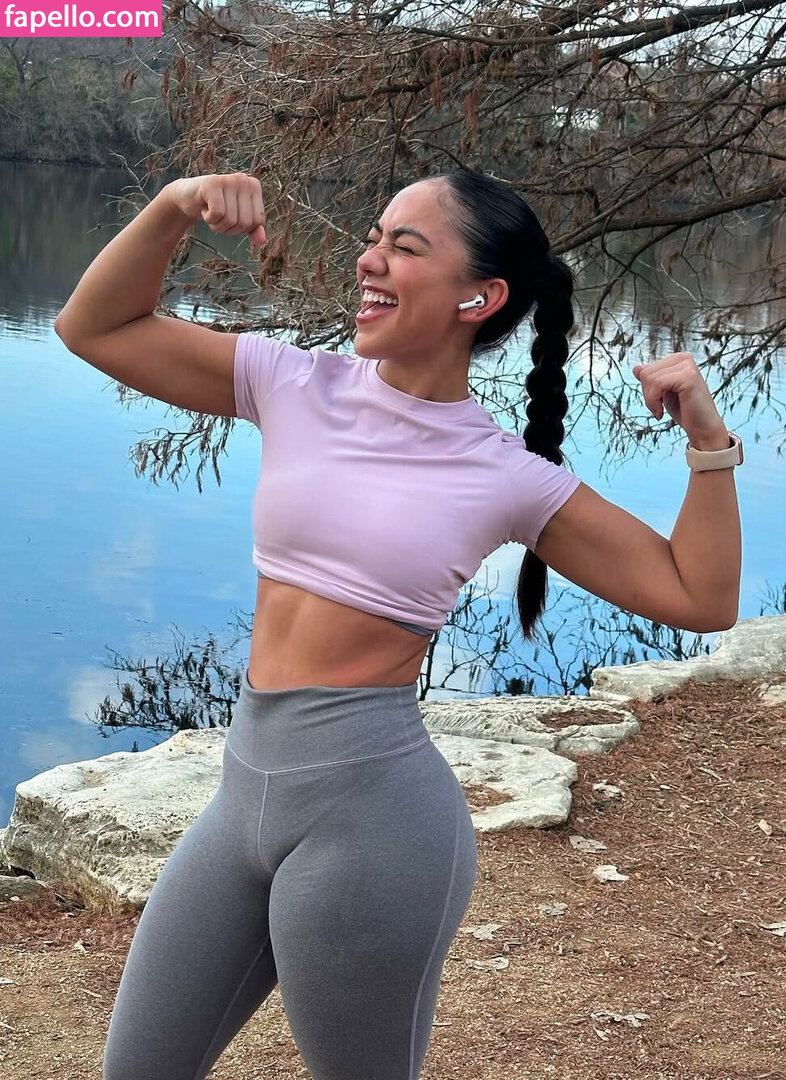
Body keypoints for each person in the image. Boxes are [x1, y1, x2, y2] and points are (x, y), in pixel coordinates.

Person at [54, 169, 741, 1080]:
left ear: (478, 298)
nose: (369, 261)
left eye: (404, 247)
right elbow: (93, 328)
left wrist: (708, 443)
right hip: (241, 799)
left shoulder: (502, 473)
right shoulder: (292, 381)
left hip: (373, 825)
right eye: (374, 238)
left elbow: (699, 596)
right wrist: (177, 204)